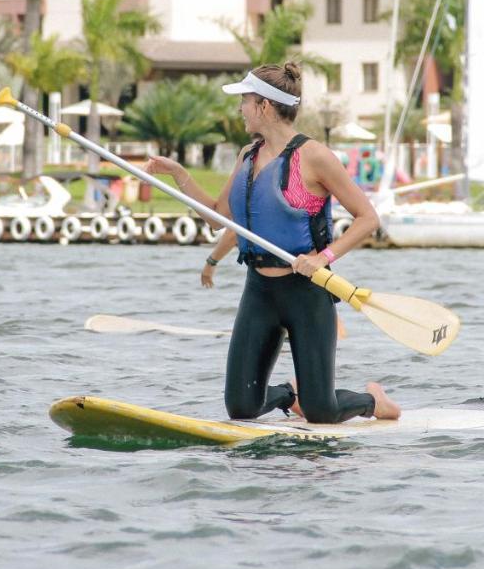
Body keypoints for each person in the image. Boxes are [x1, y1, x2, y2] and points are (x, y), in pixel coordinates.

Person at [147, 62, 399, 423]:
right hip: (260, 291)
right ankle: (289, 394)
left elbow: (368, 218)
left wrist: (322, 257)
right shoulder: (247, 155)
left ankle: (373, 400)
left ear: (264, 106)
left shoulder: (313, 156)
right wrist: (178, 174)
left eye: (245, 101)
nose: (240, 109)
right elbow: (219, 217)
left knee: (322, 411)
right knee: (242, 407)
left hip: (307, 292)